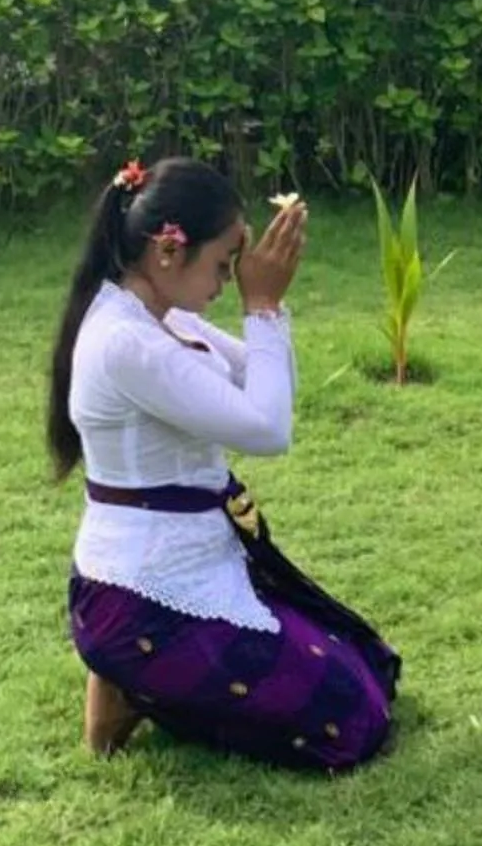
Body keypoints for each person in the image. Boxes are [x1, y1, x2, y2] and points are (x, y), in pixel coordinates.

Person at [47, 158, 400, 769]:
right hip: (142, 599)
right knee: (352, 722)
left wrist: (266, 309)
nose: (228, 280)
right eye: (222, 263)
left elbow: (272, 388)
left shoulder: (167, 319)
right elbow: (268, 431)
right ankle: (127, 680)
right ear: (167, 251)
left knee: (367, 666)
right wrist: (261, 306)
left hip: (200, 566)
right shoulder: (127, 343)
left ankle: (136, 683)